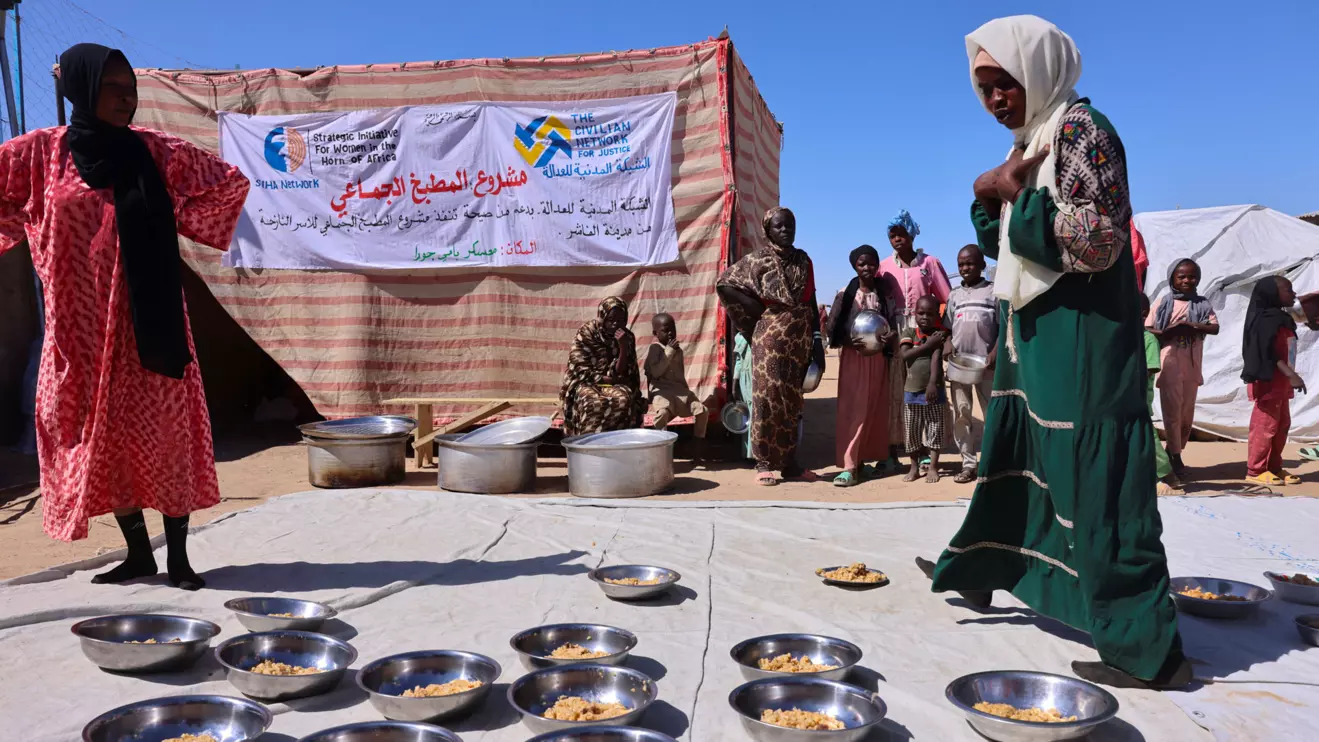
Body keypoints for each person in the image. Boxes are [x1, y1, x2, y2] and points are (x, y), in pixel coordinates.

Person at [917, 15, 1190, 690]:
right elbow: (1002, 243)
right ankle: (989, 568)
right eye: (982, 87)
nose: (994, 99)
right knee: (1021, 459)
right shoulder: (1032, 139)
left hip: (1082, 342)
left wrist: (1013, 197)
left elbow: (1098, 241)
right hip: (1035, 335)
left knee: (1096, 489)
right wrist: (989, 194)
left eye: (1002, 82)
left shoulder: (1081, 131)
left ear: (1035, 71)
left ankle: (1146, 651)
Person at [0, 44, 251, 590]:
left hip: (150, 324)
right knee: (103, 442)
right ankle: (139, 554)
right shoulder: (39, 156)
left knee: (165, 437)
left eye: (130, 87)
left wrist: (173, 216)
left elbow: (228, 184)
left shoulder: (156, 153)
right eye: (112, 87)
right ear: (81, 89)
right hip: (78, 335)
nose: (125, 98)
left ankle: (179, 559)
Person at [717, 207, 825, 486]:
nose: (786, 230)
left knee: (791, 402)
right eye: (779, 226)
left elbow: (810, 300)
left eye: (790, 225)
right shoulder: (758, 261)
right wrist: (758, 314)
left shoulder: (803, 261)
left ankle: (790, 464)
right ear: (768, 231)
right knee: (766, 400)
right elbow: (725, 284)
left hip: (798, 339)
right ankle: (763, 462)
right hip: (769, 339)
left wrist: (817, 341)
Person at [879, 209, 952, 464]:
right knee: (897, 390)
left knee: (925, 385)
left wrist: (944, 336)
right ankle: (897, 448)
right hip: (896, 331)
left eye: (901, 233)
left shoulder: (929, 263)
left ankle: (926, 447)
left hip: (925, 330)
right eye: (892, 235)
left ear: (911, 234)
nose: (897, 239)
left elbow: (946, 300)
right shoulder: (884, 267)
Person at [826, 245, 896, 487]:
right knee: (853, 409)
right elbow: (832, 326)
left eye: (871, 263)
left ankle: (862, 460)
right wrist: (848, 340)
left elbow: (890, 321)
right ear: (854, 266)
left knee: (873, 409)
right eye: (861, 264)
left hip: (876, 359)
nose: (867, 268)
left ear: (878, 265)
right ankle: (849, 465)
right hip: (853, 359)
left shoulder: (883, 294)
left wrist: (889, 337)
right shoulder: (846, 293)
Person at [1146, 258, 1218, 477]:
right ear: (1172, 279)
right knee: (1172, 413)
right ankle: (1175, 456)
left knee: (1187, 414)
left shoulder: (1203, 304)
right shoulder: (1162, 303)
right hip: (1169, 365)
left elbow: (1214, 327)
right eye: (1182, 276)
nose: (1187, 280)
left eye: (1192, 276)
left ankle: (1174, 450)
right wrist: (1171, 331)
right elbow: (1148, 329)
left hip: (1192, 366)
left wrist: (1192, 325)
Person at [1242, 276, 1307, 486]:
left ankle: (1274, 467)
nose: (1293, 293)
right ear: (1272, 294)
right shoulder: (1266, 320)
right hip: (1268, 380)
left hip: (1281, 381)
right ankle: (1255, 469)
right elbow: (1266, 352)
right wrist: (1291, 374)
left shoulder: (1281, 318)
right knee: (1265, 425)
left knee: (1282, 425)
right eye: (1288, 290)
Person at [944, 245, 998, 483]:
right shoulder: (954, 295)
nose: (965, 268)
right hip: (959, 366)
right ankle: (968, 463)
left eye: (970, 263)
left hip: (987, 366)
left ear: (982, 266)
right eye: (961, 264)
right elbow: (948, 329)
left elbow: (1005, 326)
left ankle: (990, 463)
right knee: (962, 415)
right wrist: (947, 343)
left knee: (991, 415)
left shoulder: (994, 292)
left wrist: (995, 352)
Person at [559, 297, 645, 437]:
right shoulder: (586, 333)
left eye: (621, 320)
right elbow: (579, 368)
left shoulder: (627, 337)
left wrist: (623, 346)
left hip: (615, 382)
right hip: (586, 382)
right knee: (592, 402)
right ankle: (587, 445)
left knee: (624, 400)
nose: (615, 324)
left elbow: (622, 371)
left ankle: (617, 445)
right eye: (611, 320)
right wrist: (607, 380)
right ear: (602, 317)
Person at [899, 296, 949, 483]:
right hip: (911, 392)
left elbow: (936, 358)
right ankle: (914, 467)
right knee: (912, 431)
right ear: (914, 313)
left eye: (930, 314)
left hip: (934, 392)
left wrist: (932, 384)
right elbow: (905, 355)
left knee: (935, 429)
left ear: (937, 315)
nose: (925, 317)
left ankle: (933, 467)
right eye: (921, 313)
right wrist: (927, 345)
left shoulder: (939, 334)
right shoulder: (910, 333)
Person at [1141, 294, 1182, 494]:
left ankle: (1166, 473)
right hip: (1116, 397)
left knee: (1148, 436)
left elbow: (1149, 369)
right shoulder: (1116, 337)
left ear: (1142, 315)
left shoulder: (1148, 339)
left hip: (1136, 397)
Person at [645, 312, 708, 438]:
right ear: (655, 334)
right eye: (665, 330)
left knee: (702, 411)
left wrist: (687, 393)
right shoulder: (655, 349)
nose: (670, 333)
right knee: (662, 414)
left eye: (672, 329)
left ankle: (699, 444)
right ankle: (660, 442)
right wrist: (669, 351)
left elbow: (679, 376)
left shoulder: (677, 351)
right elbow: (656, 372)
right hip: (662, 393)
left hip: (680, 392)